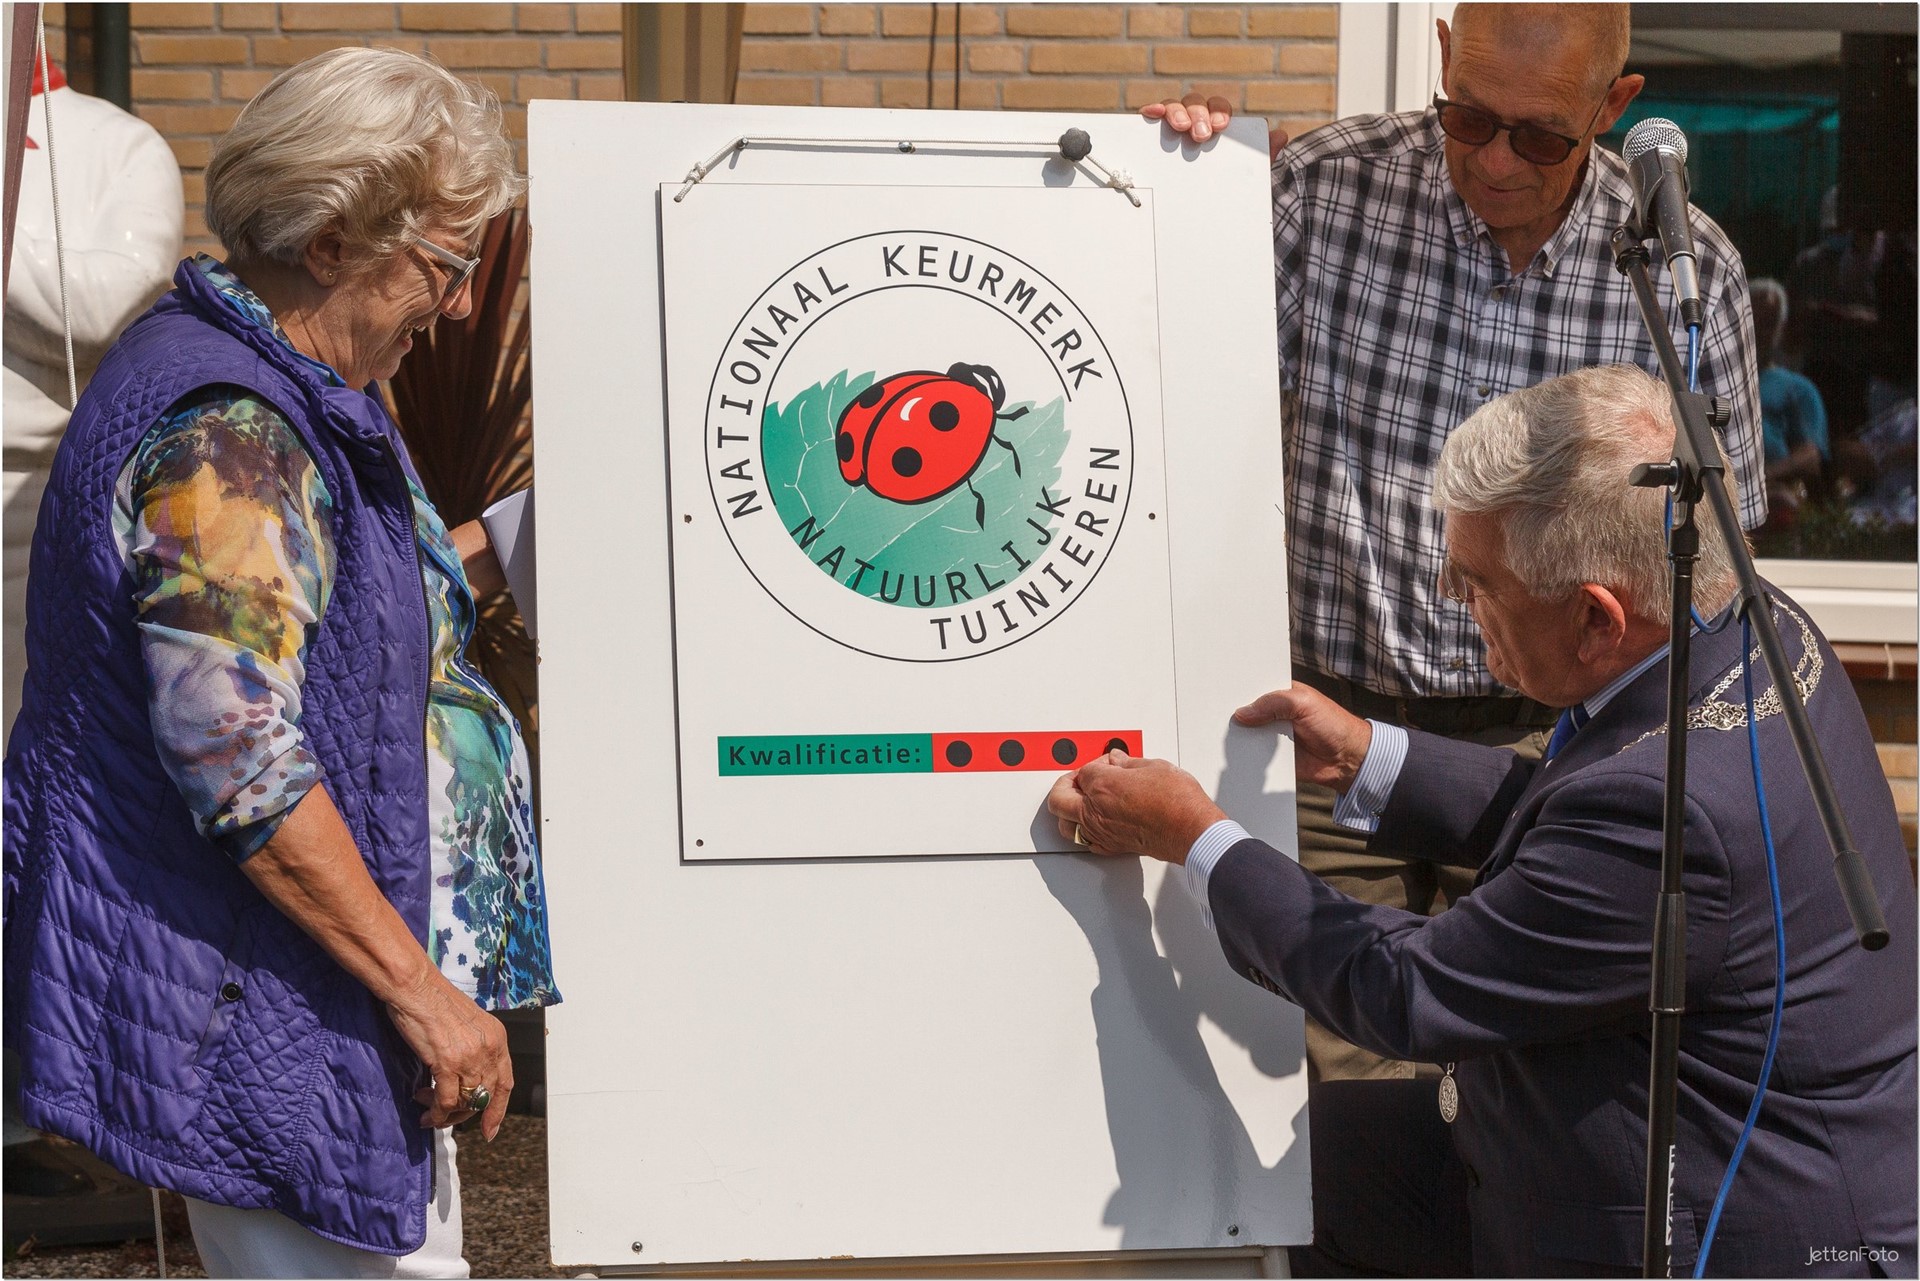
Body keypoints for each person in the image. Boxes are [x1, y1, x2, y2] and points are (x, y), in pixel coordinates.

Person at [1046, 364, 1916, 1277]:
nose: (1453, 598)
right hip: (1646, 1123)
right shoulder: (1751, 621)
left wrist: (1194, 837)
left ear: (1594, 618)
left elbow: (1405, 989)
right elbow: (1577, 824)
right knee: (1309, 1164)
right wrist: (1368, 753)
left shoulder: (1672, 814)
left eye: (1476, 582)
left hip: (1705, 1219)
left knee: (1302, 1180)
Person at [2, 48, 556, 1277]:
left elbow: (324, 614)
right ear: (332, 244)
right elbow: (236, 755)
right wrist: (422, 994)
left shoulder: (277, 386)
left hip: (289, 986)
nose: (459, 306)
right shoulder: (232, 434)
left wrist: (501, 544)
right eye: (445, 266)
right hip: (267, 1002)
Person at [1145, 2, 1768, 1083]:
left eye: (1537, 135)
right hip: (1333, 730)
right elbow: (1158, 405)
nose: (1491, 157)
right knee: (1354, 1096)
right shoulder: (1323, 192)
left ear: (1614, 108)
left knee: (1527, 1101)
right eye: (1466, 117)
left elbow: (1720, 565)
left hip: (1563, 754)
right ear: (1441, 58)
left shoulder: (1686, 271)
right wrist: (1170, 186)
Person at [1748, 277, 1829, 522]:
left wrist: (1762, 478)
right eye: (1755, 320)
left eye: (1770, 323)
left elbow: (1811, 457)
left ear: (1781, 329)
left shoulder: (1798, 389)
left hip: (1769, 495)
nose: (1761, 331)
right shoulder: (1709, 381)